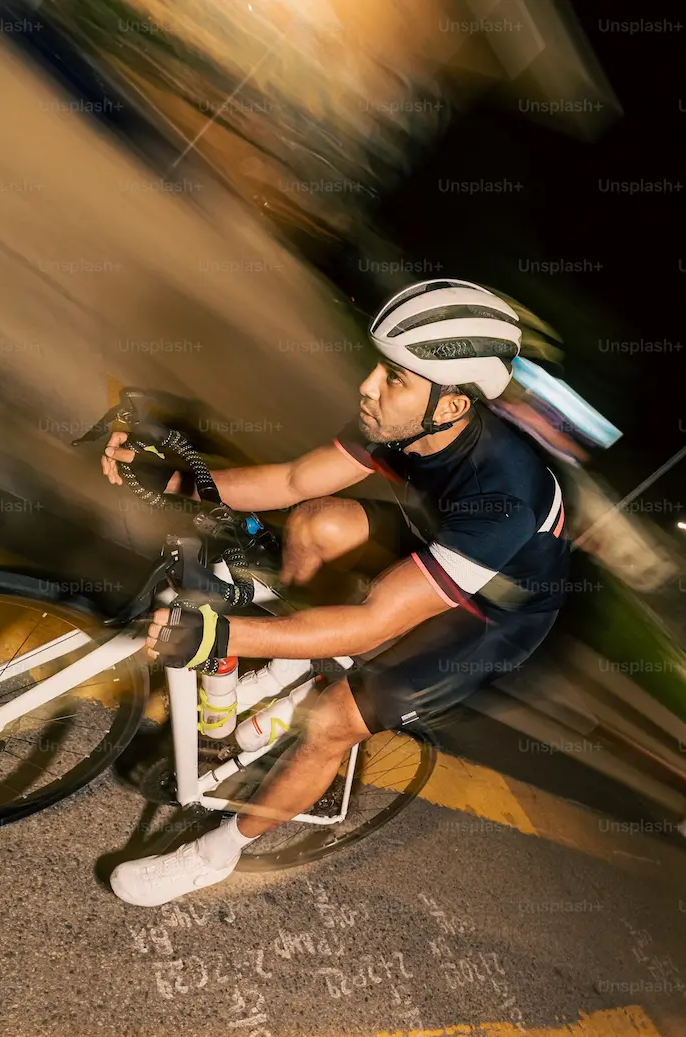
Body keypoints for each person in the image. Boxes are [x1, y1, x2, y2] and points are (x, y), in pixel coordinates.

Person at [102, 279, 571, 906]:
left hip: (490, 616)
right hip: (434, 541)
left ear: (452, 405)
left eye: (394, 378)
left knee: (331, 722)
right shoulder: (402, 419)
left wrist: (219, 635)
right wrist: (171, 480)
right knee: (314, 522)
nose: (368, 386)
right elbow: (293, 480)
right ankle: (295, 667)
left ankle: (214, 854)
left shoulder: (505, 495)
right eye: (378, 366)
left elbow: (376, 620)